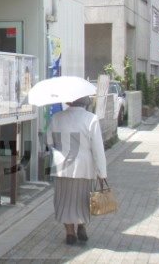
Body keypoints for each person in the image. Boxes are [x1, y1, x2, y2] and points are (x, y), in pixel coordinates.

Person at [46, 96, 107, 245]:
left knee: (64, 200)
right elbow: (98, 148)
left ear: (69, 101)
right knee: (82, 199)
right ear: (86, 103)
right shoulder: (91, 119)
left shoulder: (56, 118)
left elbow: (49, 142)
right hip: (84, 167)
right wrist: (102, 172)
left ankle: (69, 232)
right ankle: (81, 225)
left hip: (62, 166)